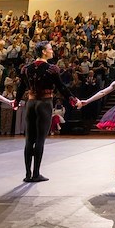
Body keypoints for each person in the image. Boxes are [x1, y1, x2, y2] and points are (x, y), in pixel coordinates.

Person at [14, 41, 78, 182]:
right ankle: (36, 174)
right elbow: (61, 87)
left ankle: (27, 174)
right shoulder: (52, 69)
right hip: (44, 104)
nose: (52, 51)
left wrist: (16, 101)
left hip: (31, 103)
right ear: (43, 51)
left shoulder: (26, 68)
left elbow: (21, 88)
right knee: (40, 140)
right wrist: (72, 99)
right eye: (50, 49)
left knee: (29, 139)